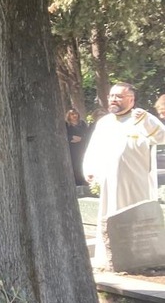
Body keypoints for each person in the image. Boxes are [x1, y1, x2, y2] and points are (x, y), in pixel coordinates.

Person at [83, 82, 165, 267]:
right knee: (109, 215)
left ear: (131, 99)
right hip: (110, 182)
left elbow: (162, 137)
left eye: (119, 96)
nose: (113, 99)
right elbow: (94, 148)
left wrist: (146, 121)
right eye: (112, 96)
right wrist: (89, 168)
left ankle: (143, 259)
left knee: (138, 217)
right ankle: (110, 259)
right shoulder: (104, 123)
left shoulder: (143, 118)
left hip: (137, 181)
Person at [65, 109, 89, 186]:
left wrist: (81, 139)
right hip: (72, 148)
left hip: (82, 147)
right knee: (74, 164)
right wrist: (71, 137)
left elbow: (88, 134)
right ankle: (77, 181)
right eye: (72, 114)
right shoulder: (66, 124)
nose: (74, 116)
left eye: (76, 114)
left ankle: (84, 180)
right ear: (69, 116)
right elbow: (64, 135)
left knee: (82, 163)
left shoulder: (82, 123)